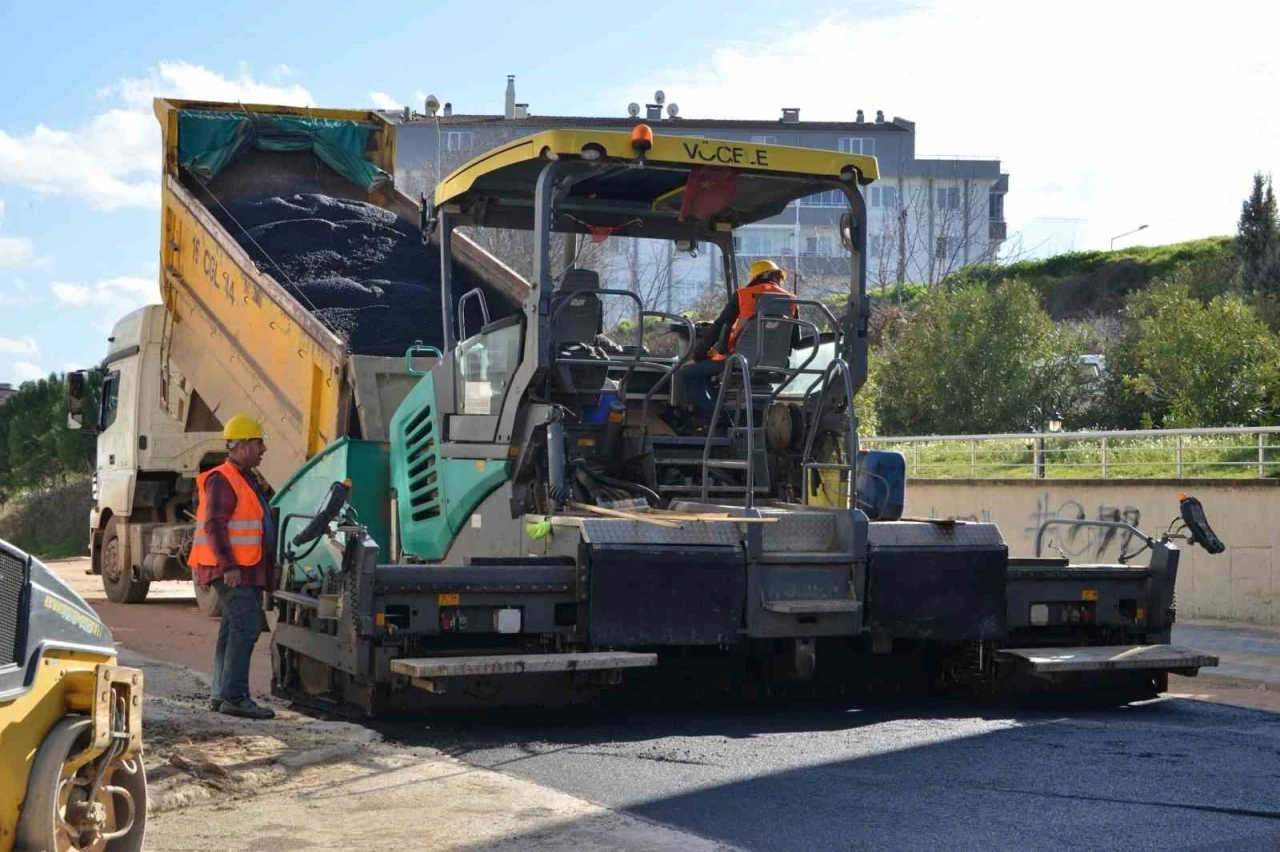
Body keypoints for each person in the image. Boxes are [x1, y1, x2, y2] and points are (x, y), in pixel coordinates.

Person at [189, 414, 277, 720]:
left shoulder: (244, 477)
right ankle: (235, 697)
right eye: (258, 443)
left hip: (245, 567)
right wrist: (229, 565)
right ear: (241, 446)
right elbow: (215, 523)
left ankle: (221, 694)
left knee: (231, 628)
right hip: (230, 568)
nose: (263, 449)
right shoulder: (222, 478)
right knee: (248, 624)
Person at [675, 259, 797, 421]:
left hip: (739, 361)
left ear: (756, 277)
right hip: (776, 364)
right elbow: (795, 341)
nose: (781, 283)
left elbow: (719, 326)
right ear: (774, 277)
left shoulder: (743, 295)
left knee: (688, 373)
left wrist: (697, 357)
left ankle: (717, 419)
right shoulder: (792, 300)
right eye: (780, 278)